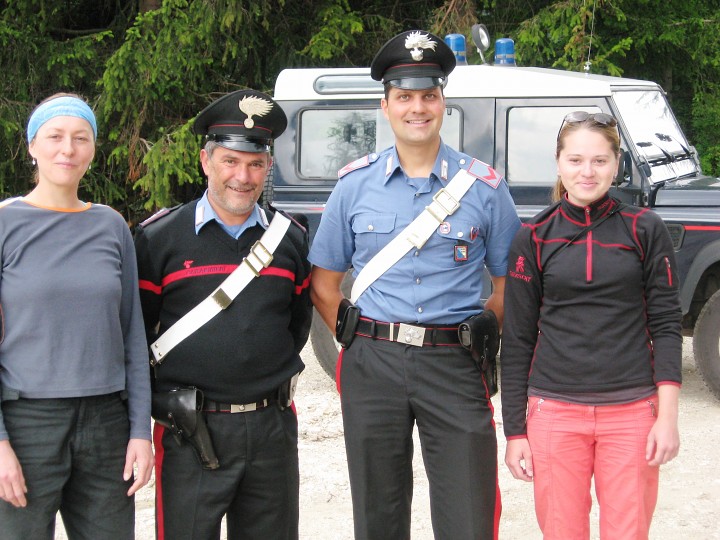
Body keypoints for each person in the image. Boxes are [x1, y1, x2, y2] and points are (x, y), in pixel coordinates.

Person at [309, 30, 521, 540]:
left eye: (428, 95)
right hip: (373, 363)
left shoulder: (485, 188)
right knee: (377, 514)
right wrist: (357, 338)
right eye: (404, 97)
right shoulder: (353, 185)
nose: (417, 108)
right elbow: (323, 284)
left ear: (443, 102)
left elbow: (509, 284)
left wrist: (485, 331)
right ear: (385, 106)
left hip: (454, 361)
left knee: (469, 514)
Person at [134, 88, 312, 540]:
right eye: (230, 161)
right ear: (205, 161)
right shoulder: (158, 240)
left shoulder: (290, 240)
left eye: (255, 164)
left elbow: (296, 326)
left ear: (268, 167)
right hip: (190, 431)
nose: (242, 176)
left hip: (272, 428)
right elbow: (137, 337)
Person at [501, 111, 682, 539]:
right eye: (576, 160)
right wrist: (514, 432)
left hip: (632, 411)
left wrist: (668, 417)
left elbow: (666, 325)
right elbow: (518, 339)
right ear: (558, 162)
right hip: (553, 413)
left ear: (617, 164)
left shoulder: (645, 228)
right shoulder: (534, 236)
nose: (588, 171)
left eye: (600, 161)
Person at [0, 93, 153, 539]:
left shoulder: (111, 226)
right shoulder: (5, 224)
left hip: (106, 423)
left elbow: (132, 334)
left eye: (80, 138)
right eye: (55, 136)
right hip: (27, 424)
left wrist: (140, 430)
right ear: (32, 145)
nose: (67, 149)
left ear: (92, 149)